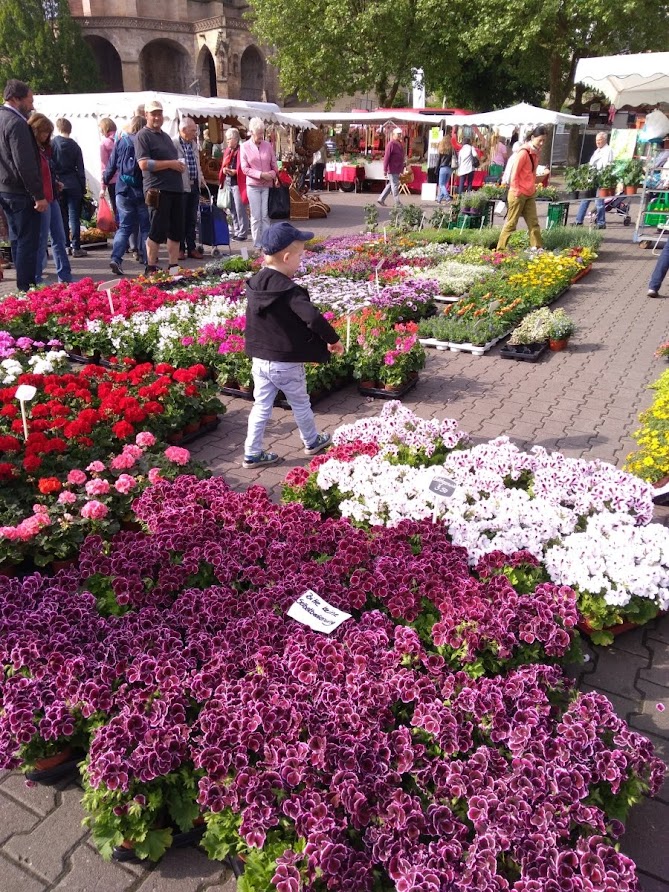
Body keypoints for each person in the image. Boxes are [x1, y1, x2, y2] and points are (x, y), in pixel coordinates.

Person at [242, 221, 343, 469]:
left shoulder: (255, 283)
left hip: (260, 359)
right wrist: (333, 340)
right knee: (300, 403)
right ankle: (312, 440)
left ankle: (251, 453)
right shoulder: (290, 291)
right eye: (300, 255)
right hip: (285, 362)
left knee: (261, 406)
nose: (301, 259)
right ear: (286, 257)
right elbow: (313, 318)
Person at [0, 78, 46, 291]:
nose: (32, 105)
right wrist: (38, 195)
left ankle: (23, 286)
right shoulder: (17, 123)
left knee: (17, 239)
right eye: (29, 100)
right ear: (16, 99)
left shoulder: (2, 117)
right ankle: (26, 287)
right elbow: (24, 163)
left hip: (6, 189)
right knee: (28, 241)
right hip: (20, 191)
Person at [135, 99, 186, 274]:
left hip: (174, 189)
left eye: (159, 113)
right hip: (157, 190)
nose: (157, 117)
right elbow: (143, 164)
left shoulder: (165, 136)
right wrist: (171, 164)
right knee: (157, 230)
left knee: (175, 230)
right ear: (146, 115)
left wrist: (177, 166)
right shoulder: (143, 136)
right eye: (153, 114)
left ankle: (173, 266)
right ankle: (150, 266)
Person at [27, 112, 71, 285]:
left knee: (59, 239)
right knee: (42, 240)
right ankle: (36, 280)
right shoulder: (30, 151)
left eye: (48, 132)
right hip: (42, 200)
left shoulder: (46, 150)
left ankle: (65, 278)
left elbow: (47, 173)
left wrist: (55, 183)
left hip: (52, 198)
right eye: (43, 132)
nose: (46, 135)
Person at [103, 115, 149, 277]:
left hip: (123, 189)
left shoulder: (121, 141)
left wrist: (105, 181)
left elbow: (111, 165)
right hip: (142, 189)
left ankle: (116, 258)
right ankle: (148, 261)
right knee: (145, 228)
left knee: (124, 227)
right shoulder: (144, 141)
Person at [496, 126, 547, 251]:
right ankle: (500, 250)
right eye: (540, 140)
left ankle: (537, 248)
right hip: (518, 193)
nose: (542, 143)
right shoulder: (524, 152)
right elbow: (514, 173)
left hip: (529, 192)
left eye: (544, 141)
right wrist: (516, 190)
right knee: (511, 223)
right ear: (533, 138)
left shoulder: (535, 153)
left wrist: (534, 185)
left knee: (533, 223)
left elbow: (531, 173)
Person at [239, 116, 279, 252]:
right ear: (251, 132)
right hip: (253, 185)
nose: (261, 136)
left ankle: (266, 243)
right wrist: (261, 174)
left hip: (266, 185)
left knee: (265, 215)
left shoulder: (268, 146)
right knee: (256, 216)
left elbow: (274, 165)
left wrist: (271, 175)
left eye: (262, 133)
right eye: (258, 133)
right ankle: (257, 244)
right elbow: (244, 168)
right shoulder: (244, 147)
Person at [51, 118, 87, 257]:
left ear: (58, 128)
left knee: (62, 217)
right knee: (74, 217)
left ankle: (66, 245)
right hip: (74, 183)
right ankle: (76, 246)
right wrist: (82, 187)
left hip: (59, 183)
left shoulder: (53, 144)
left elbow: (51, 165)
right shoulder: (75, 146)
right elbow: (81, 168)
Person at [174, 116, 205, 260]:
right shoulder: (174, 143)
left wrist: (201, 178)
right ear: (183, 130)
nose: (195, 133)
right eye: (193, 130)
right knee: (180, 218)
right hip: (181, 186)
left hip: (194, 185)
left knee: (192, 218)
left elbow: (197, 164)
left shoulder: (193, 144)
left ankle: (191, 248)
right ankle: (180, 248)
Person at [574, 132, 614, 229]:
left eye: (600, 140)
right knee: (585, 199)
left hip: (600, 178)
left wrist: (603, 177)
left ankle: (601, 223)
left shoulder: (608, 150)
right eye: (596, 140)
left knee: (599, 202)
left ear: (605, 140)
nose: (598, 142)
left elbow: (607, 166)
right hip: (592, 178)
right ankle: (578, 221)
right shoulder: (597, 151)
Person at [219, 127, 248, 241]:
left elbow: (243, 168)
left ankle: (243, 233)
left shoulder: (242, 150)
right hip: (228, 182)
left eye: (229, 139)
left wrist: (235, 172)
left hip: (238, 183)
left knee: (240, 208)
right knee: (231, 209)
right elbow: (224, 164)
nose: (227, 141)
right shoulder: (227, 151)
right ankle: (237, 230)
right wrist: (225, 170)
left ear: (236, 139)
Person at [377, 127, 405, 207]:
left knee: (391, 184)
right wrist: (385, 169)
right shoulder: (391, 144)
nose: (399, 136)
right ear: (393, 135)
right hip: (392, 168)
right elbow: (386, 157)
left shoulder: (398, 144)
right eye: (398, 134)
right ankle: (397, 202)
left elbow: (401, 157)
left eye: (400, 134)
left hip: (396, 168)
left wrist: (402, 168)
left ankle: (381, 199)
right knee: (394, 185)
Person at [99, 117, 118, 216]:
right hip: (126, 179)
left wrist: (103, 187)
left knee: (117, 209)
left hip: (113, 181)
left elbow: (104, 167)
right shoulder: (122, 138)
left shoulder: (104, 143)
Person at [435, 134, 454, 203]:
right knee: (444, 185)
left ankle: (447, 197)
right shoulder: (452, 149)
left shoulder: (441, 149)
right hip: (449, 168)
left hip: (443, 168)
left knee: (441, 184)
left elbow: (438, 161)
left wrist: (436, 169)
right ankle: (439, 199)